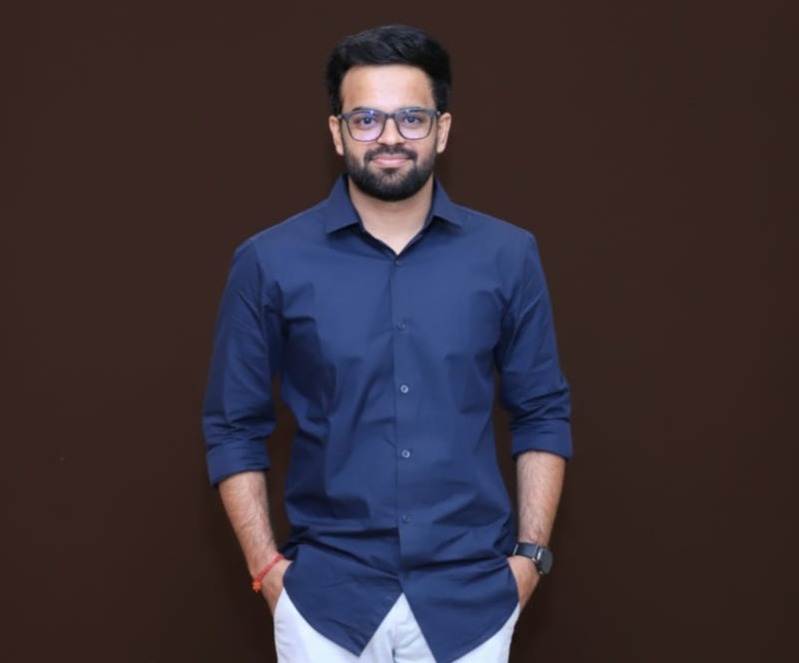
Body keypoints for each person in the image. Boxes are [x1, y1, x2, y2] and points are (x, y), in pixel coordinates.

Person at [202, 24, 572, 663]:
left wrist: (530, 560)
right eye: (367, 118)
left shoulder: (508, 255)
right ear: (337, 131)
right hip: (325, 608)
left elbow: (542, 411)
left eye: (412, 118)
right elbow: (233, 426)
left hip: (472, 607)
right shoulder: (269, 261)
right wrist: (268, 571)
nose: (390, 137)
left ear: (442, 130)